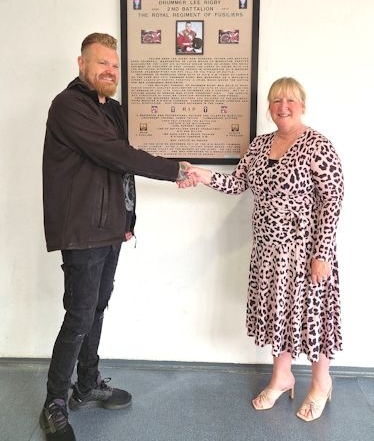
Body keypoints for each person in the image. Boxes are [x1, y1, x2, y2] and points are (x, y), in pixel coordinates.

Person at [40, 32, 192, 441]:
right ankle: (54, 402)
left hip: (109, 228)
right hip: (82, 228)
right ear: (81, 63)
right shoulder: (69, 106)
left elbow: (118, 169)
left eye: (114, 65)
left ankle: (86, 386)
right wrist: (176, 169)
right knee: (79, 315)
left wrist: (129, 216)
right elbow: (117, 154)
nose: (109, 70)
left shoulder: (114, 109)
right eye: (101, 62)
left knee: (98, 308)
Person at [181, 77, 344, 422]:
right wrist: (201, 175)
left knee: (312, 318)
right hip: (268, 254)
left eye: (290, 101)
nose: (282, 107)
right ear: (269, 107)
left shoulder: (318, 145)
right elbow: (237, 183)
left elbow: (333, 200)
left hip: (305, 254)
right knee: (278, 316)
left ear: (302, 104)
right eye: (275, 101)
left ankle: (320, 382)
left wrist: (323, 254)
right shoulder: (259, 145)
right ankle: (282, 377)